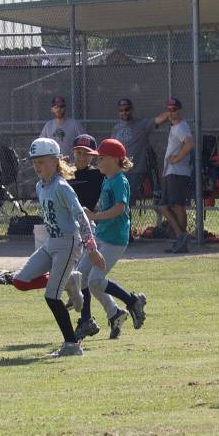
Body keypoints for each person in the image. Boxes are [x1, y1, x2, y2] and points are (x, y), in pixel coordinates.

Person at [11, 138, 105, 357]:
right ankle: (70, 280)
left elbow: (81, 216)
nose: (37, 167)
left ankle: (72, 345)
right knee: (19, 281)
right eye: (35, 162)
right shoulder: (39, 185)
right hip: (52, 242)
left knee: (52, 296)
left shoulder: (62, 186)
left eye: (42, 162)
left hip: (68, 243)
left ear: (56, 161)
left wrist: (91, 249)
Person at [71, 139, 148, 341]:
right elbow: (104, 206)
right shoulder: (106, 179)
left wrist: (94, 216)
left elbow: (120, 208)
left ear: (114, 160)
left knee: (95, 280)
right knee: (81, 276)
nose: (97, 162)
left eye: (101, 158)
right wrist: (93, 214)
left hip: (115, 239)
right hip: (101, 235)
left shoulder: (119, 181)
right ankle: (108, 315)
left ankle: (132, 301)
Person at [153, 97, 194, 253]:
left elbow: (189, 144)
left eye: (174, 109)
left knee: (176, 206)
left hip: (177, 173)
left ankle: (181, 239)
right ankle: (180, 237)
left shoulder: (182, 126)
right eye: (169, 110)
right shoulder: (175, 126)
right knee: (165, 205)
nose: (172, 113)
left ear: (180, 110)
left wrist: (177, 158)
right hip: (171, 173)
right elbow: (158, 120)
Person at [110, 98, 156, 205]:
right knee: (117, 201)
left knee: (126, 202)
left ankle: (126, 222)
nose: (124, 112)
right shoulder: (116, 128)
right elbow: (111, 147)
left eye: (127, 109)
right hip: (119, 172)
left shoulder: (142, 125)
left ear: (132, 110)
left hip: (135, 172)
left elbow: (157, 120)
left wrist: (171, 112)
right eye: (121, 110)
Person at [70, 134, 105, 211]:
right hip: (68, 219)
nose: (82, 157)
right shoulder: (65, 171)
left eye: (87, 153)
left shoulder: (99, 174)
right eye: (79, 152)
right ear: (73, 152)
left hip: (91, 219)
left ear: (93, 155)